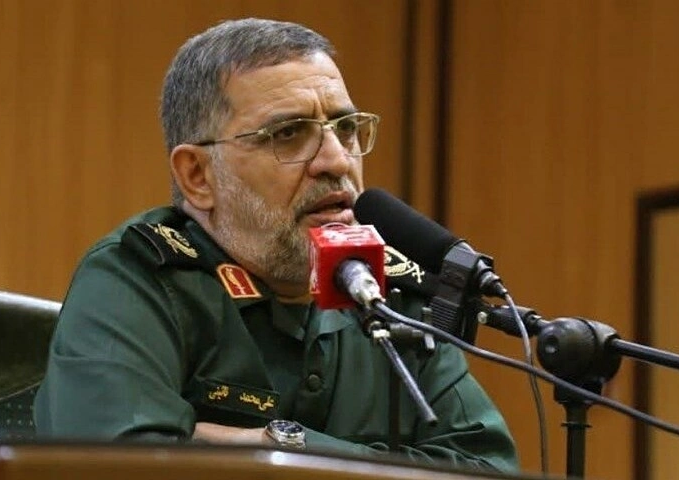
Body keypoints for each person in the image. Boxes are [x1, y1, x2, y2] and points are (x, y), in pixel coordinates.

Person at [33, 18, 519, 473]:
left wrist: (280, 446)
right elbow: (120, 468)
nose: (336, 161)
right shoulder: (138, 279)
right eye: (287, 134)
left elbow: (489, 470)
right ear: (198, 176)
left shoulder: (393, 294)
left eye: (346, 129)